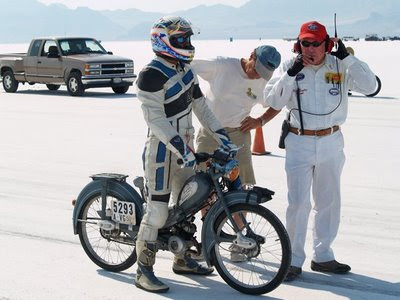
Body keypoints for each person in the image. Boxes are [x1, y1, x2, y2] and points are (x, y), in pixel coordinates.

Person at [263, 21, 376, 281]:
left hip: (331, 141)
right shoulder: (289, 66)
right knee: (299, 203)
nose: (310, 49)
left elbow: (369, 86)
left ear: (328, 44)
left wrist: (347, 58)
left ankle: (323, 256)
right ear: (297, 43)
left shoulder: (339, 65)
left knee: (329, 201)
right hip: (299, 141)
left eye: (316, 43)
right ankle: (292, 259)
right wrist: (291, 73)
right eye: (305, 43)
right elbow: (272, 100)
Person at [135, 16, 238, 293]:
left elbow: (202, 108)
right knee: (157, 212)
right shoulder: (150, 74)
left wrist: (222, 136)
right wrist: (182, 148)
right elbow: (155, 121)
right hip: (161, 152)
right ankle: (143, 270)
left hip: (187, 151)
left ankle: (182, 259)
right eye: (181, 40)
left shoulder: (185, 70)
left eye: (188, 39)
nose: (188, 44)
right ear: (163, 41)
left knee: (187, 205)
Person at [193, 45, 281, 188]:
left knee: (242, 185)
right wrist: (196, 94)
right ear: (252, 55)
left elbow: (278, 103)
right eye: (256, 70)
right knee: (203, 182)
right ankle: (209, 210)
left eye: (263, 74)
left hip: (239, 133)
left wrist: (260, 121)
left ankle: (239, 210)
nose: (257, 75)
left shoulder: (263, 83)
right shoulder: (222, 65)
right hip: (210, 131)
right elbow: (188, 67)